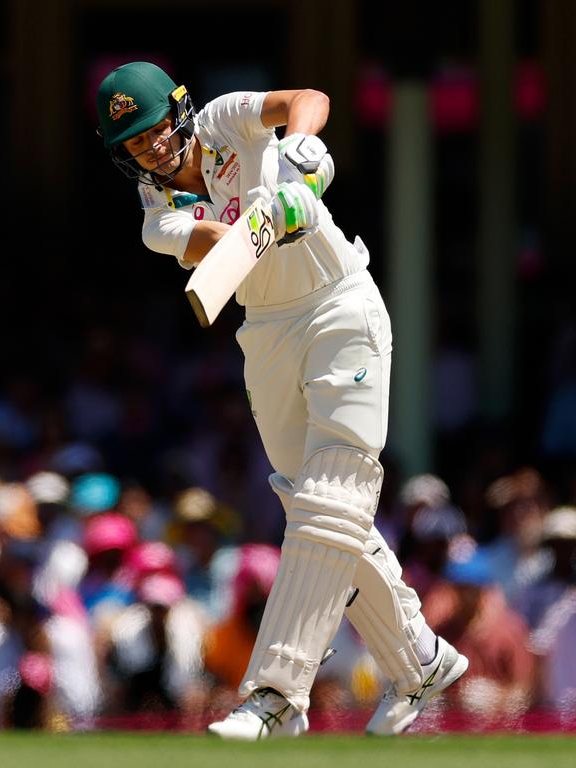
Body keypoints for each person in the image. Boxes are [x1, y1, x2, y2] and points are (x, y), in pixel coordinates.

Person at [94, 61, 468, 738]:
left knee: (332, 495)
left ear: (178, 112)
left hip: (338, 305)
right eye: (133, 143)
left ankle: (275, 696)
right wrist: (274, 215)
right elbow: (222, 250)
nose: (150, 148)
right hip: (265, 331)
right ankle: (420, 658)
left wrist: (298, 153)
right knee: (318, 506)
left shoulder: (226, 118)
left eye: (153, 130)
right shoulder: (157, 217)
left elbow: (308, 99)